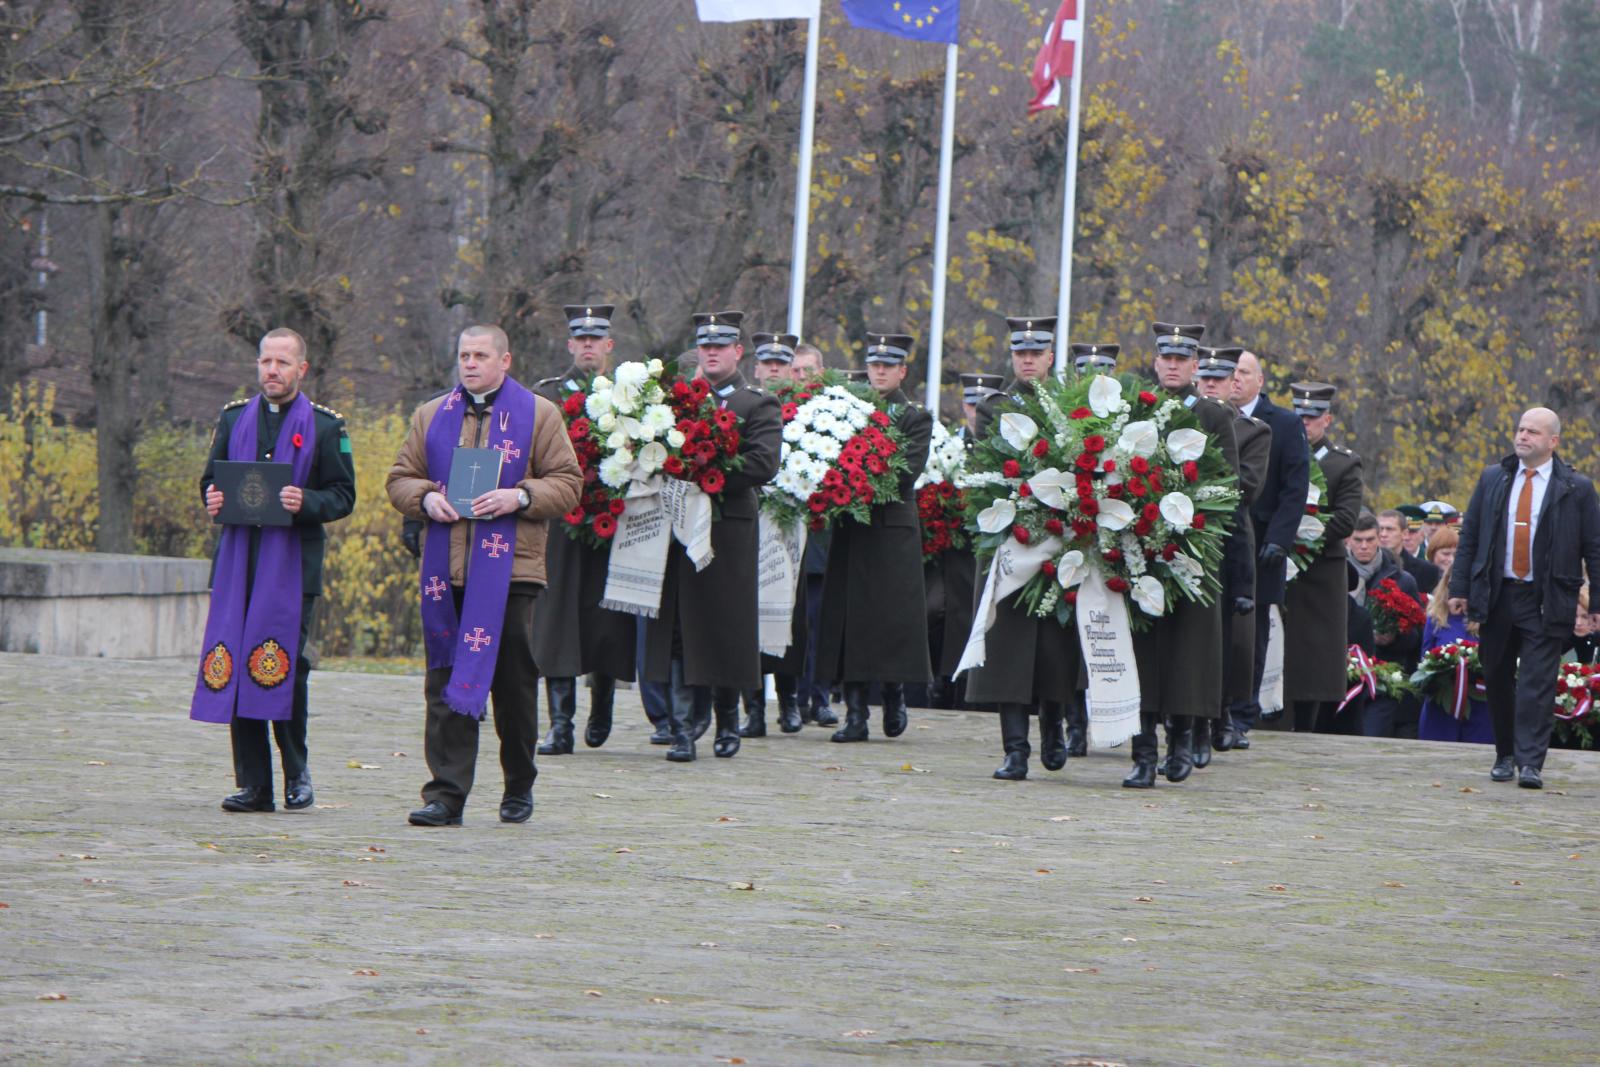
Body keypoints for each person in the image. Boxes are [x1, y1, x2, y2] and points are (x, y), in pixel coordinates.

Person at [386, 324, 582, 825]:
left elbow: (568, 484)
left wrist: (520, 496)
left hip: (512, 569)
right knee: (445, 680)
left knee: (513, 683)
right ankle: (446, 795)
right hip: (446, 571)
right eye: (463, 355)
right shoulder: (432, 415)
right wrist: (426, 497)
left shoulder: (538, 413)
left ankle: (518, 783)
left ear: (505, 361)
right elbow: (400, 478)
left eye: (479, 355)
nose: (469, 363)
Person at [192, 328, 356, 814]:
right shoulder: (233, 418)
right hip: (238, 565)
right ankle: (253, 784)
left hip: (292, 569)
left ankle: (296, 774)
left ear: (301, 369)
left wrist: (305, 501)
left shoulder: (327, 428)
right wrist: (211, 498)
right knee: (237, 663)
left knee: (286, 667)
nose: (272, 371)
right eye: (266, 361)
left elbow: (343, 496)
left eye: (283, 363)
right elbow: (210, 479)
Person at [641, 311, 782, 761]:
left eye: (721, 345)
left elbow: (764, 464)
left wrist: (710, 472)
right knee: (681, 627)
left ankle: (726, 722)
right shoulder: (677, 402)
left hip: (730, 528)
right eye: (705, 345)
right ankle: (682, 730)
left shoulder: (756, 403)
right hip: (678, 527)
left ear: (738, 351)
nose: (712, 352)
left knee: (725, 625)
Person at [1448, 407, 1600, 789]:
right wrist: (1459, 588)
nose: (1523, 436)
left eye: (1533, 431)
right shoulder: (1494, 478)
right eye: (1520, 429)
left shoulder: (1575, 487)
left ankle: (1531, 762)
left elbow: (1594, 547)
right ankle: (1505, 754)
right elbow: (1470, 538)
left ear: (1553, 441)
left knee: (1537, 679)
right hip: (1498, 594)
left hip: (1547, 596)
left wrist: (1596, 602)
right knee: (1497, 674)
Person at [964, 319, 1087, 777]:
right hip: (1009, 536)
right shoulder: (995, 406)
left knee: (1055, 645)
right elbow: (988, 464)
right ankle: (1015, 747)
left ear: (1051, 356)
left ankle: (1054, 727)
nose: (1028, 359)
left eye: (1037, 353)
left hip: (1059, 536)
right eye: (1021, 353)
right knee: (1008, 649)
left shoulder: (1071, 403)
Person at [1124, 322, 1239, 787]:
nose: (1172, 366)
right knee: (1144, 652)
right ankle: (1143, 754)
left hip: (1192, 549)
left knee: (1188, 653)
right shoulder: (1133, 408)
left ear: (1195, 365)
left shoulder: (1213, 415)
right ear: (1155, 362)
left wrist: (1187, 513)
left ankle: (1184, 739)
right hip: (1138, 550)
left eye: (1181, 359)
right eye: (1165, 358)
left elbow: (1231, 487)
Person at [814, 331, 934, 742]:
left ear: (902, 371)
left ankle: (894, 690)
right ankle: (855, 712)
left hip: (891, 529)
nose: (879, 371)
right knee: (849, 620)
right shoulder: (847, 409)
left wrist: (854, 478)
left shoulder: (915, 415)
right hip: (852, 527)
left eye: (889, 366)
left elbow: (906, 473)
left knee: (891, 619)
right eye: (874, 365)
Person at [531, 305, 639, 756]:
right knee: (557, 619)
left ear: (609, 346)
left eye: (597, 339)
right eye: (582, 339)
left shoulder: (632, 397)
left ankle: (603, 705)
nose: (589, 345)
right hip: (560, 523)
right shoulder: (548, 396)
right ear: (571, 345)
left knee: (607, 619)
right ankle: (560, 723)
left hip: (613, 518)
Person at [1229, 349, 1311, 742]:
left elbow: (1295, 489)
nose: (1236, 379)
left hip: (1263, 544)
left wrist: (1280, 539)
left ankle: (1242, 714)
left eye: (1245, 373)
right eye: (1232, 372)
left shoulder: (1285, 423)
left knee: (1253, 633)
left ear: (1260, 381)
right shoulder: (1214, 417)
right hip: (1221, 542)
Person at [1195, 346, 1268, 761]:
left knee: (1221, 641)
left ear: (1232, 384)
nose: (1211, 385)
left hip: (1226, 544)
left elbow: (1245, 487)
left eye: (1219, 380)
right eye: (1205, 378)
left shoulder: (1252, 430)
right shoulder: (1177, 419)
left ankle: (1215, 717)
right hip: (1178, 539)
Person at [1280, 382, 1363, 734]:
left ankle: (1307, 725)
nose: (1305, 423)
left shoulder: (1343, 464)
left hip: (1320, 571)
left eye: (1313, 417)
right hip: (1281, 568)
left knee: (1313, 656)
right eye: (1299, 416)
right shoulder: (1279, 453)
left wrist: (1299, 532)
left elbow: (1346, 518)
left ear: (1326, 419)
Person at [742, 331, 805, 737]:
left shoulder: (813, 414)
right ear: (757, 368)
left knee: (790, 612)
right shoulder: (746, 403)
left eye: (782, 363)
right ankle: (752, 709)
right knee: (748, 611)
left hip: (790, 520)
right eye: (768, 363)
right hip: (751, 515)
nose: (775, 369)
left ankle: (789, 699)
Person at [1344, 513, 1422, 736]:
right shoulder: (1337, 576)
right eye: (1358, 540)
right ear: (1349, 540)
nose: (1364, 546)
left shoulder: (1401, 580)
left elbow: (1416, 636)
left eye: (1370, 540)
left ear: (1379, 539)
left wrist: (1394, 637)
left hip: (1383, 680)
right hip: (1343, 677)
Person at [1415, 528, 1493, 743]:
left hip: (1480, 704)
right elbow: (1424, 661)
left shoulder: (1487, 620)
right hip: (1442, 703)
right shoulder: (1435, 618)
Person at [1378, 508, 1440, 606]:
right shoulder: (1369, 566)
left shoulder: (1428, 571)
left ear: (1404, 534)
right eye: (1380, 529)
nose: (1383, 534)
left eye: (1390, 529)